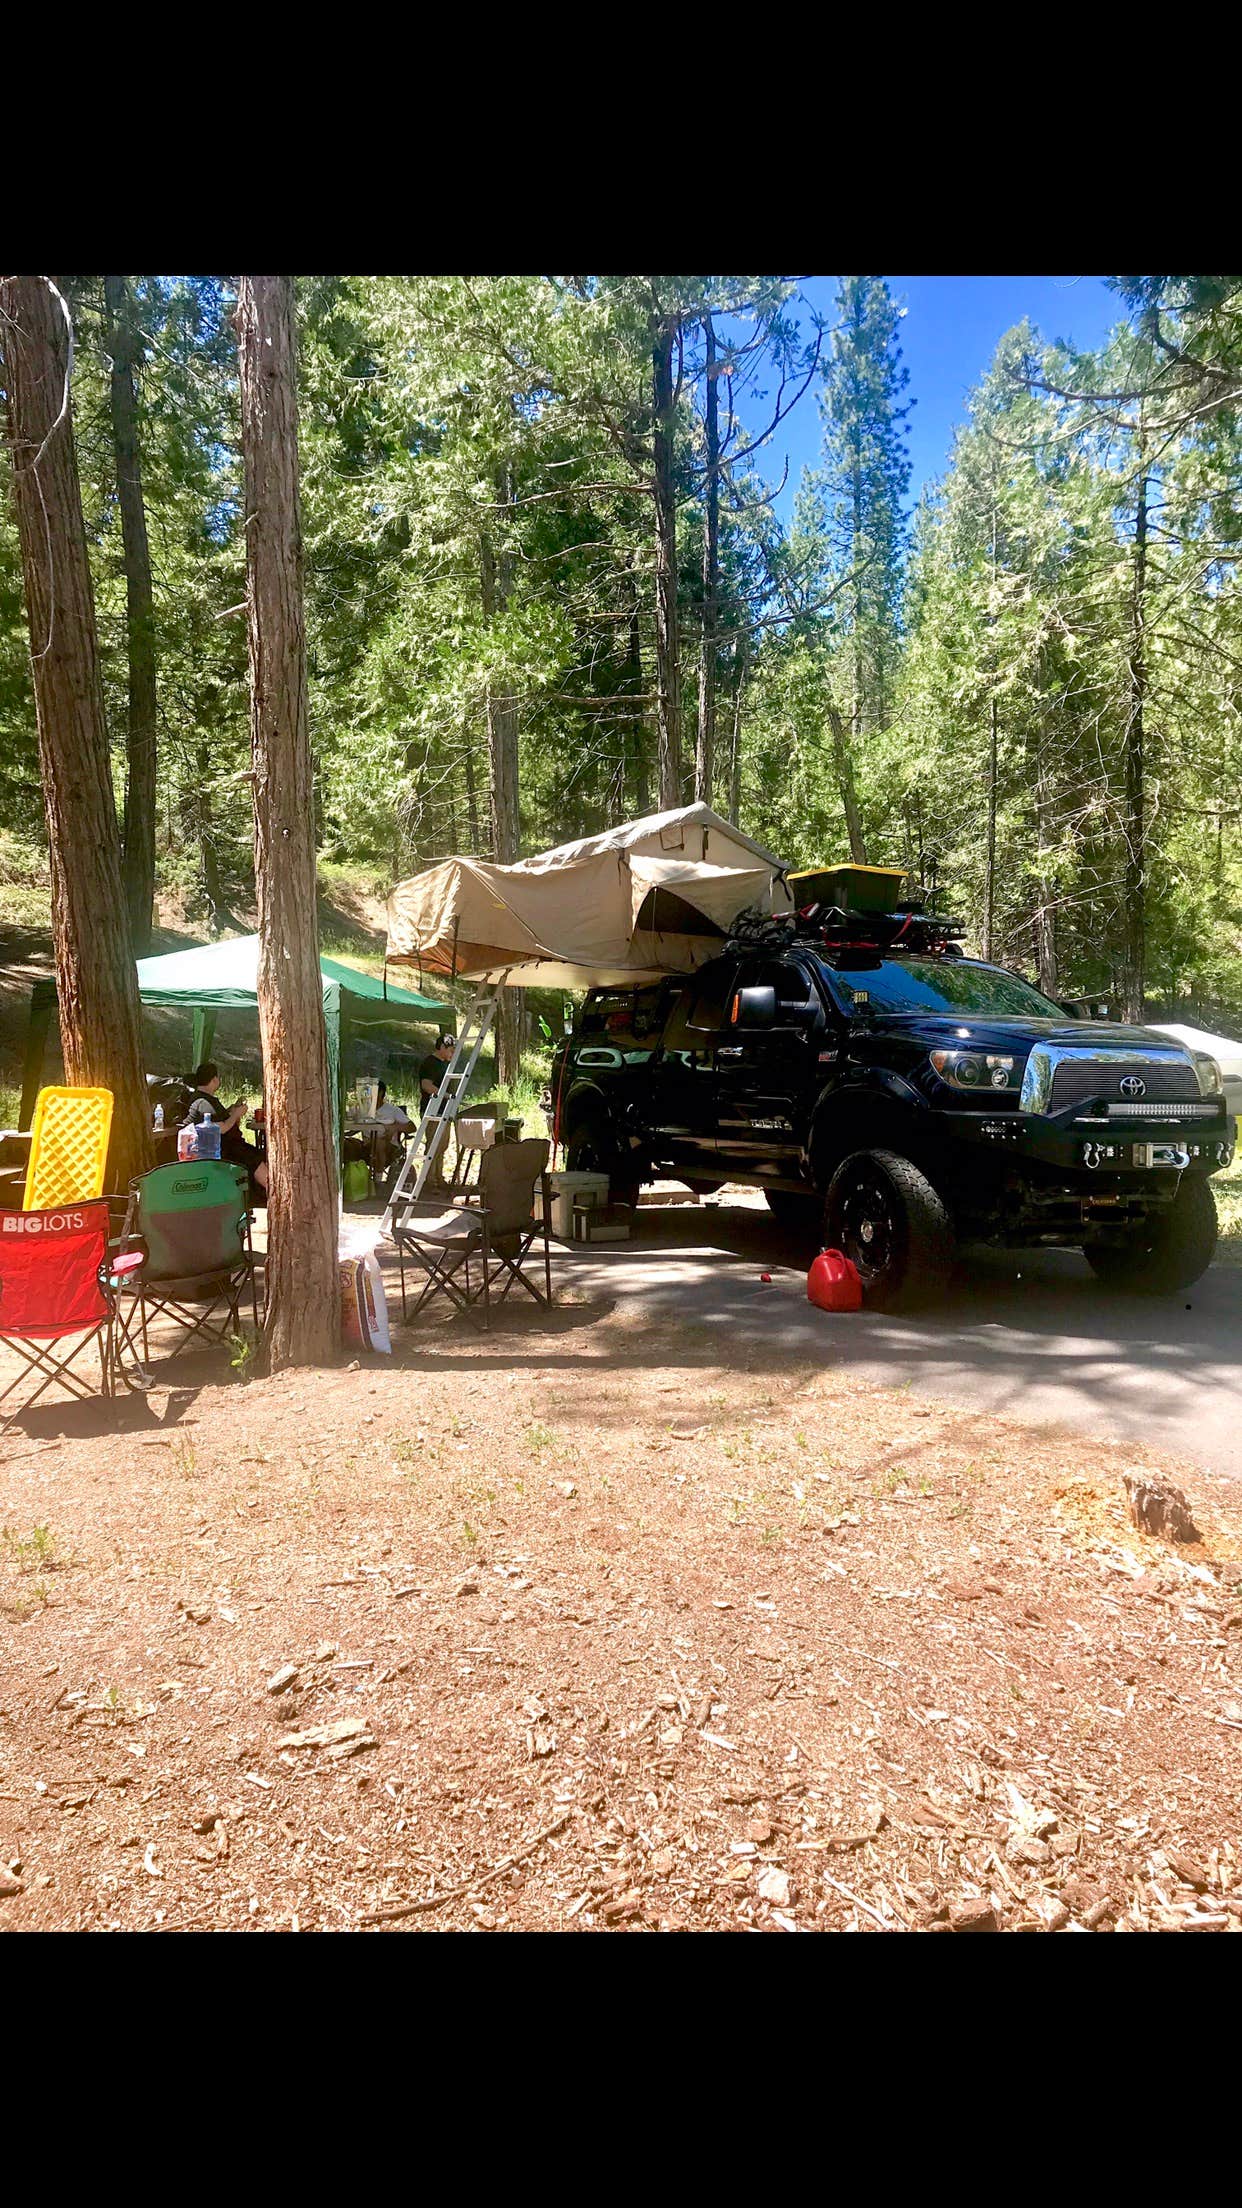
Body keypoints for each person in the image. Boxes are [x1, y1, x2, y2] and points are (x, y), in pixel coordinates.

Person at [184, 1062, 269, 1197]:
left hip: (225, 1146)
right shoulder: (203, 1102)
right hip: (220, 1150)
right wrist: (236, 1115)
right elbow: (220, 1128)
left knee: (259, 1153)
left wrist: (232, 1109)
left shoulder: (205, 1099)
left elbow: (219, 1118)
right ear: (214, 1080)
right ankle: (274, 1191)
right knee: (253, 1158)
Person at [372, 1080, 411, 1176]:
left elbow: (412, 1127)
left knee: (379, 1143)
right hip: (366, 1142)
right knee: (347, 1145)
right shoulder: (362, 1110)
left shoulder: (393, 1110)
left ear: (380, 1093)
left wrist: (395, 1127)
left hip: (387, 1143)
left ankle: (377, 1181)